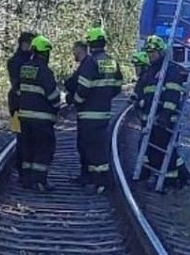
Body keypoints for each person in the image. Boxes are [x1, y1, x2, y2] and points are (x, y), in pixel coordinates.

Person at [135, 35, 190, 190]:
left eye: (153, 52)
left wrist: (165, 115)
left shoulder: (170, 70)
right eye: (148, 52)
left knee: (165, 151)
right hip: (152, 119)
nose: (150, 55)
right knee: (157, 150)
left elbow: (173, 94)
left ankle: (171, 180)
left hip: (165, 119)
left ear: (161, 52)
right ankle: (181, 177)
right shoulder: (152, 70)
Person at [70, 26, 123, 194]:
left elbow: (83, 88)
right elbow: (117, 86)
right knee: (97, 146)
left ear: (90, 44)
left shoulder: (91, 63)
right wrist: (104, 97)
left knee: (89, 147)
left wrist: (76, 102)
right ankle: (92, 179)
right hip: (104, 112)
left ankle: (98, 182)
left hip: (88, 113)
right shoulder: (112, 62)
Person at [17, 35, 61, 191]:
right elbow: (53, 96)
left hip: (24, 117)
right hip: (41, 119)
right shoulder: (44, 71)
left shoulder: (24, 68)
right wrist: (58, 106)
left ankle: (26, 180)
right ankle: (40, 181)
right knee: (44, 148)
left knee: (27, 148)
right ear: (45, 53)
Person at [7, 31, 37, 182]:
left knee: (24, 138)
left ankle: (25, 172)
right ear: (24, 44)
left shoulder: (21, 60)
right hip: (17, 106)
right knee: (22, 138)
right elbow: (17, 84)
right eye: (31, 44)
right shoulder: (17, 62)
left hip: (16, 104)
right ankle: (23, 172)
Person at [64, 40, 90, 179]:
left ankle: (89, 178)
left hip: (87, 113)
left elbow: (77, 84)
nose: (73, 53)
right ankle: (88, 177)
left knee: (86, 145)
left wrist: (75, 100)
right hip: (95, 112)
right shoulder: (86, 65)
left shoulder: (87, 65)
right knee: (87, 145)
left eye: (74, 50)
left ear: (80, 50)